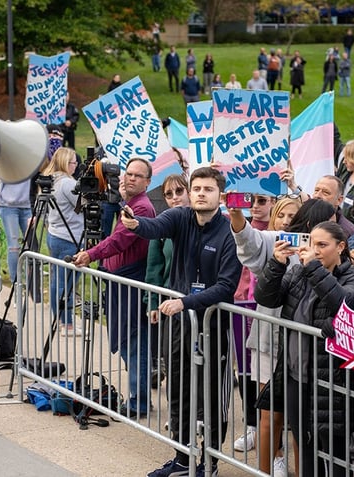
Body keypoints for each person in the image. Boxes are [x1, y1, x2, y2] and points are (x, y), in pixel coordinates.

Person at [123, 167, 241, 477]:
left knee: (212, 398)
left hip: (213, 325)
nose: (201, 193)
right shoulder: (180, 217)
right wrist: (135, 224)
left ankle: (210, 463)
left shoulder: (229, 232)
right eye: (197, 188)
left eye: (208, 189)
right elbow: (154, 226)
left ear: (220, 196)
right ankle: (181, 458)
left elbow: (226, 286)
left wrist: (184, 302)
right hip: (179, 326)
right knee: (177, 391)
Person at [254, 220, 354, 477]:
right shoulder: (298, 274)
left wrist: (314, 269)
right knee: (305, 447)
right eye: (311, 243)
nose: (315, 250)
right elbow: (266, 297)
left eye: (322, 245)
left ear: (340, 247)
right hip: (296, 377)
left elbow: (345, 305)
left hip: (333, 381)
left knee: (335, 453)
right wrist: (276, 264)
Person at [73, 158, 156, 418]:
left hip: (131, 282)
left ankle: (139, 402)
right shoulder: (129, 204)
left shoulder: (141, 208)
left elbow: (118, 241)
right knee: (127, 342)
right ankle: (137, 396)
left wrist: (90, 254)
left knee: (133, 342)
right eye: (128, 173)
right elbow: (112, 235)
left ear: (147, 182)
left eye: (137, 176)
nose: (130, 178)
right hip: (118, 279)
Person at [230, 197, 304, 475]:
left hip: (300, 344)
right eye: (282, 214)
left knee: (299, 417)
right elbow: (248, 242)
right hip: (268, 340)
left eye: (293, 215)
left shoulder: (312, 246)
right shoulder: (271, 241)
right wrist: (236, 212)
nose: (287, 220)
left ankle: (300, 468)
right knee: (269, 413)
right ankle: (272, 461)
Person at [145, 174, 191, 388]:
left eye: (179, 191)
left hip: (198, 299)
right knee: (174, 356)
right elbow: (154, 266)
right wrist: (153, 301)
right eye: (169, 194)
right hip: (170, 299)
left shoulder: (204, 221)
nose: (175, 198)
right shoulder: (161, 225)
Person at [42, 148, 84, 335]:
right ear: (66, 163)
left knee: (57, 281)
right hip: (69, 237)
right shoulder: (66, 183)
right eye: (74, 162)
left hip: (55, 233)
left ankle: (60, 320)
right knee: (65, 283)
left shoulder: (51, 179)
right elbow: (82, 204)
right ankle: (66, 323)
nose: (76, 166)